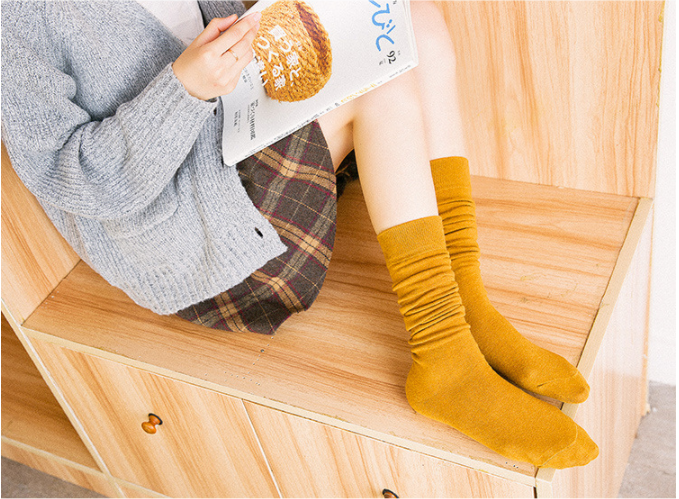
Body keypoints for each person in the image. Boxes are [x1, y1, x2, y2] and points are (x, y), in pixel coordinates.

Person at [1, 0, 598, 468]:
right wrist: (184, 87)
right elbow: (75, 180)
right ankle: (443, 353)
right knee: (383, 87)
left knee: (414, 20)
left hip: (230, 125)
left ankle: (466, 298)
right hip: (183, 225)